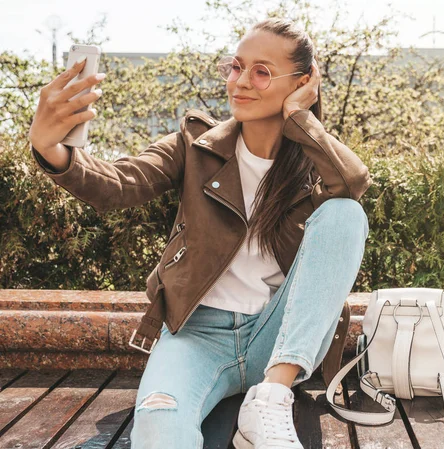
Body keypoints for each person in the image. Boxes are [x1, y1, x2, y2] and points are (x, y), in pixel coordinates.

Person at [29, 17, 372, 449]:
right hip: (195, 336)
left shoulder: (312, 164)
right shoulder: (195, 146)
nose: (241, 82)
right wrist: (50, 147)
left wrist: (300, 119)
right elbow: (117, 184)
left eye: (262, 72)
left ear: (302, 82)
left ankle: (270, 396)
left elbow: (353, 185)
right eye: (235, 66)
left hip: (278, 339)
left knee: (345, 214)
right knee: (156, 432)